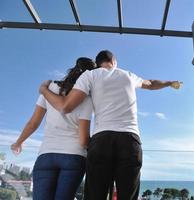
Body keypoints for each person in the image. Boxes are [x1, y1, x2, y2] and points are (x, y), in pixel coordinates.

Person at [39, 50, 181, 200]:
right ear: (114, 61)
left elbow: (66, 106)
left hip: (102, 141)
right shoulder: (128, 75)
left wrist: (43, 90)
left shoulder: (90, 75)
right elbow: (151, 84)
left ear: (98, 63)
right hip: (130, 140)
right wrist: (170, 83)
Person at [11, 57, 96, 200]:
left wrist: (19, 142)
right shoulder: (87, 99)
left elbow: (33, 123)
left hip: (46, 155)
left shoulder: (50, 88)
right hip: (74, 156)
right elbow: (83, 141)